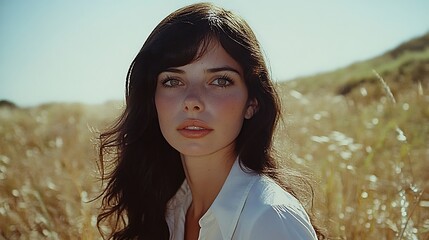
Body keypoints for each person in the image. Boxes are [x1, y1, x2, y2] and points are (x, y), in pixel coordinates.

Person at [97, 2, 326, 240]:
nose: (192, 101)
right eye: (173, 81)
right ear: (152, 99)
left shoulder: (270, 219)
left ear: (252, 103)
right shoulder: (170, 210)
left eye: (220, 81)